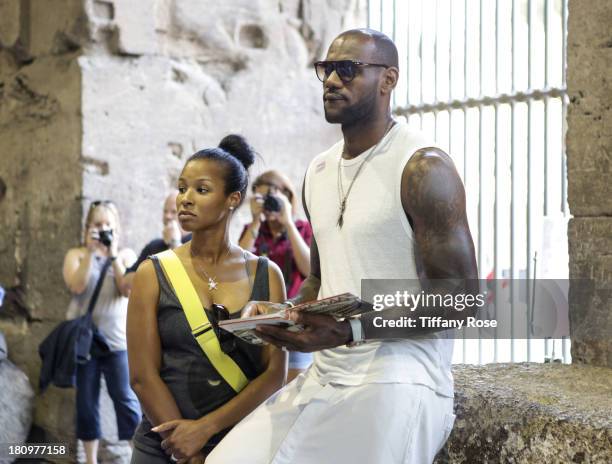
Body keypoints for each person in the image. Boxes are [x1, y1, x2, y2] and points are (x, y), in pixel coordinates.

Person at [206, 29, 478, 464]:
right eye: (326, 69)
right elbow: (319, 277)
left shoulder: (423, 168)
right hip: (327, 374)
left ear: (388, 80)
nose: (331, 80)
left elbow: (461, 300)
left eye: (347, 70)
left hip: (401, 378)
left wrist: (352, 329)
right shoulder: (317, 170)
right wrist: (285, 316)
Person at [127, 135, 287, 464]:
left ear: (232, 199)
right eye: (182, 188)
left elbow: (274, 373)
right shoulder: (152, 272)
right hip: (162, 448)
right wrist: (189, 452)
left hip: (240, 446)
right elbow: (143, 375)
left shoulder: (267, 276)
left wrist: (204, 429)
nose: (184, 199)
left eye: (200, 190)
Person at [63, 200, 141, 464]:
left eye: (108, 224)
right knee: (86, 403)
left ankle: (138, 456)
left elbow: (126, 288)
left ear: (117, 229)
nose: (103, 229)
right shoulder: (76, 255)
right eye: (98, 224)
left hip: (117, 343)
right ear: (88, 228)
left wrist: (113, 254)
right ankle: (90, 460)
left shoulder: (127, 256)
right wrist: (89, 252)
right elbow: (76, 286)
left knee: (126, 399)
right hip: (85, 344)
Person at [238, 170, 313, 381]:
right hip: (259, 320)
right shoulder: (253, 231)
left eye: (272, 198)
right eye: (262, 199)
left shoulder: (302, 229)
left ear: (287, 198)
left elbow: (309, 269)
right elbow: (237, 267)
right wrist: (254, 221)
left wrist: (288, 222)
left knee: (294, 384)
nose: (268, 204)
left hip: (294, 320)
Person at [122, 192, 191, 293]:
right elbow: (125, 282)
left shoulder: (197, 245)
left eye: (173, 212)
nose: (167, 216)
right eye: (165, 211)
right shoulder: (154, 245)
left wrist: (174, 243)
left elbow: (188, 284)